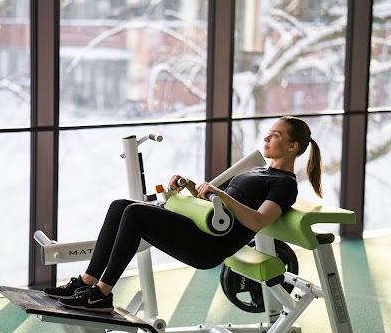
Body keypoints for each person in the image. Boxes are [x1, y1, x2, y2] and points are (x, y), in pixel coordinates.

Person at [44, 116, 322, 313]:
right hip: (203, 229)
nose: (266, 138)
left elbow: (259, 220)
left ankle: (101, 294)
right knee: (120, 205)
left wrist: (222, 194)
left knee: (135, 214)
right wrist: (188, 185)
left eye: (275, 135)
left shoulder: (285, 185)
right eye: (269, 133)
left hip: (210, 246)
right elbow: (214, 204)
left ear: (292, 146)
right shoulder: (259, 171)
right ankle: (88, 281)